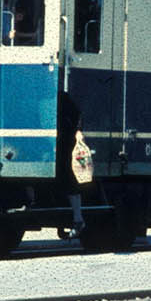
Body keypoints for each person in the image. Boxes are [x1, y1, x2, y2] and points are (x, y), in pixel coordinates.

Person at [55, 90, 88, 237]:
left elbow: (77, 114)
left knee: (69, 177)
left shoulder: (61, 97)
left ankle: (77, 217)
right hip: (55, 143)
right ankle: (75, 217)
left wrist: (78, 131)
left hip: (64, 142)